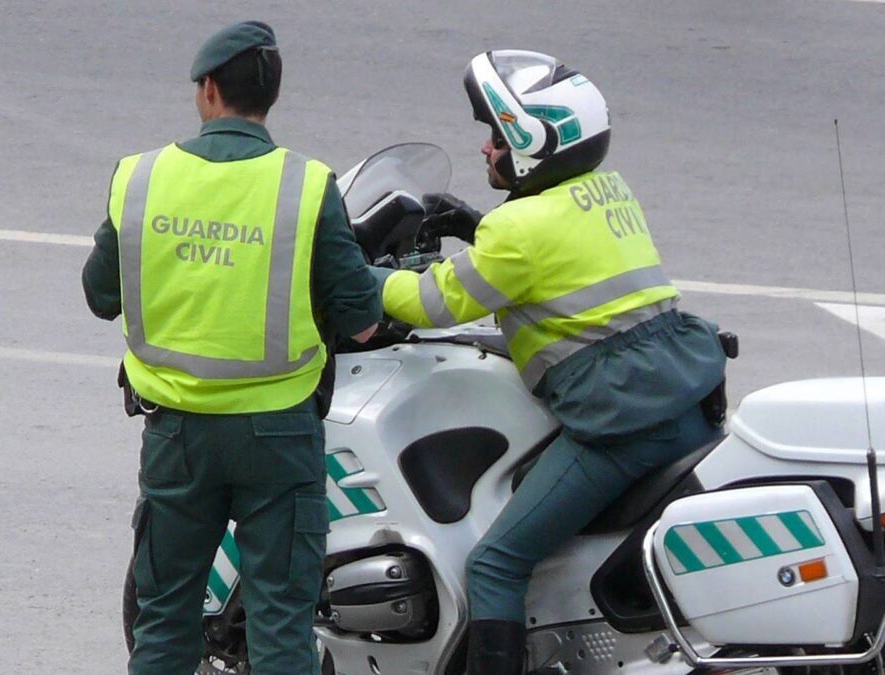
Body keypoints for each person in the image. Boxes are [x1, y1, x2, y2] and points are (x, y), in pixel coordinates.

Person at [374, 50, 728, 675]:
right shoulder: (603, 191)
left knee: (494, 565)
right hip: (683, 393)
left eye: (496, 134)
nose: (486, 148)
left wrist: (366, 281)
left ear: (533, 142)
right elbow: (555, 258)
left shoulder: (517, 231)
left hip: (625, 424)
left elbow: (436, 301)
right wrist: (474, 225)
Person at [82, 20, 382, 675]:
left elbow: (100, 295)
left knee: (164, 625)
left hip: (178, 437)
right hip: (279, 437)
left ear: (209, 88)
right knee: (281, 627)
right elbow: (361, 319)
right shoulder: (306, 186)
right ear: (269, 96)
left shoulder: (142, 178)